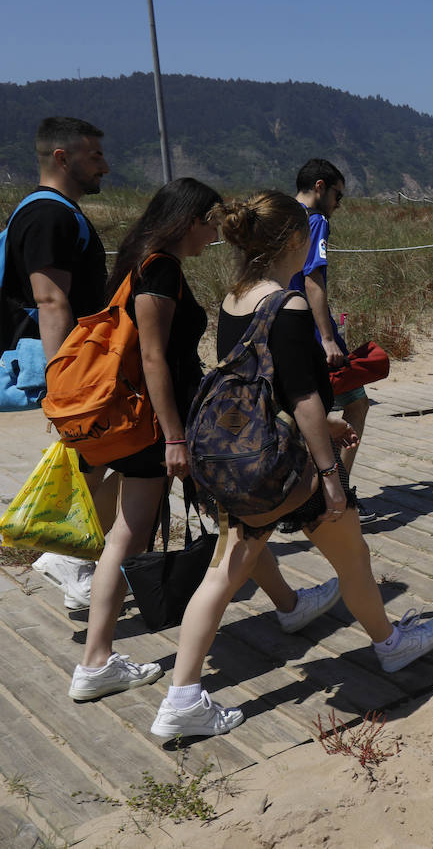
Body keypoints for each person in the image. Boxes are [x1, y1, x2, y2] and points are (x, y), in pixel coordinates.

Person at [149, 191, 433, 738]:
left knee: (223, 574)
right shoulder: (287, 306)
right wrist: (332, 476)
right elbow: (307, 400)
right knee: (353, 555)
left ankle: (182, 695)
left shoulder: (236, 299)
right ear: (293, 240)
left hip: (246, 460)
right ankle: (390, 645)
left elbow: (262, 384)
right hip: (292, 467)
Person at [70, 178, 341, 700]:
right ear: (187, 221)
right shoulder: (159, 270)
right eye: (208, 224)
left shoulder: (138, 260)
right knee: (130, 537)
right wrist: (174, 437)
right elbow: (154, 358)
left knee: (232, 522)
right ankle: (99, 661)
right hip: (158, 422)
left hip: (147, 417)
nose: (214, 234)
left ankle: (288, 605)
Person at [2, 118, 115, 611]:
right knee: (116, 453)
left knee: (108, 455)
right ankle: (66, 556)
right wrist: (62, 385)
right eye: (95, 157)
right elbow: (51, 302)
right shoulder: (50, 215)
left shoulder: (44, 209)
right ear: (62, 157)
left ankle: (72, 557)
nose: (104, 167)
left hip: (77, 366)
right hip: (73, 368)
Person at [291, 160, 374, 521]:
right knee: (355, 405)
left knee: (303, 416)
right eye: (338, 195)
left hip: (281, 326)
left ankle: (308, 494)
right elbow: (313, 279)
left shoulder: (281, 214)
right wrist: (327, 337)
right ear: (321, 187)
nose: (339, 203)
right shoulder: (316, 220)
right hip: (309, 333)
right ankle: (336, 493)